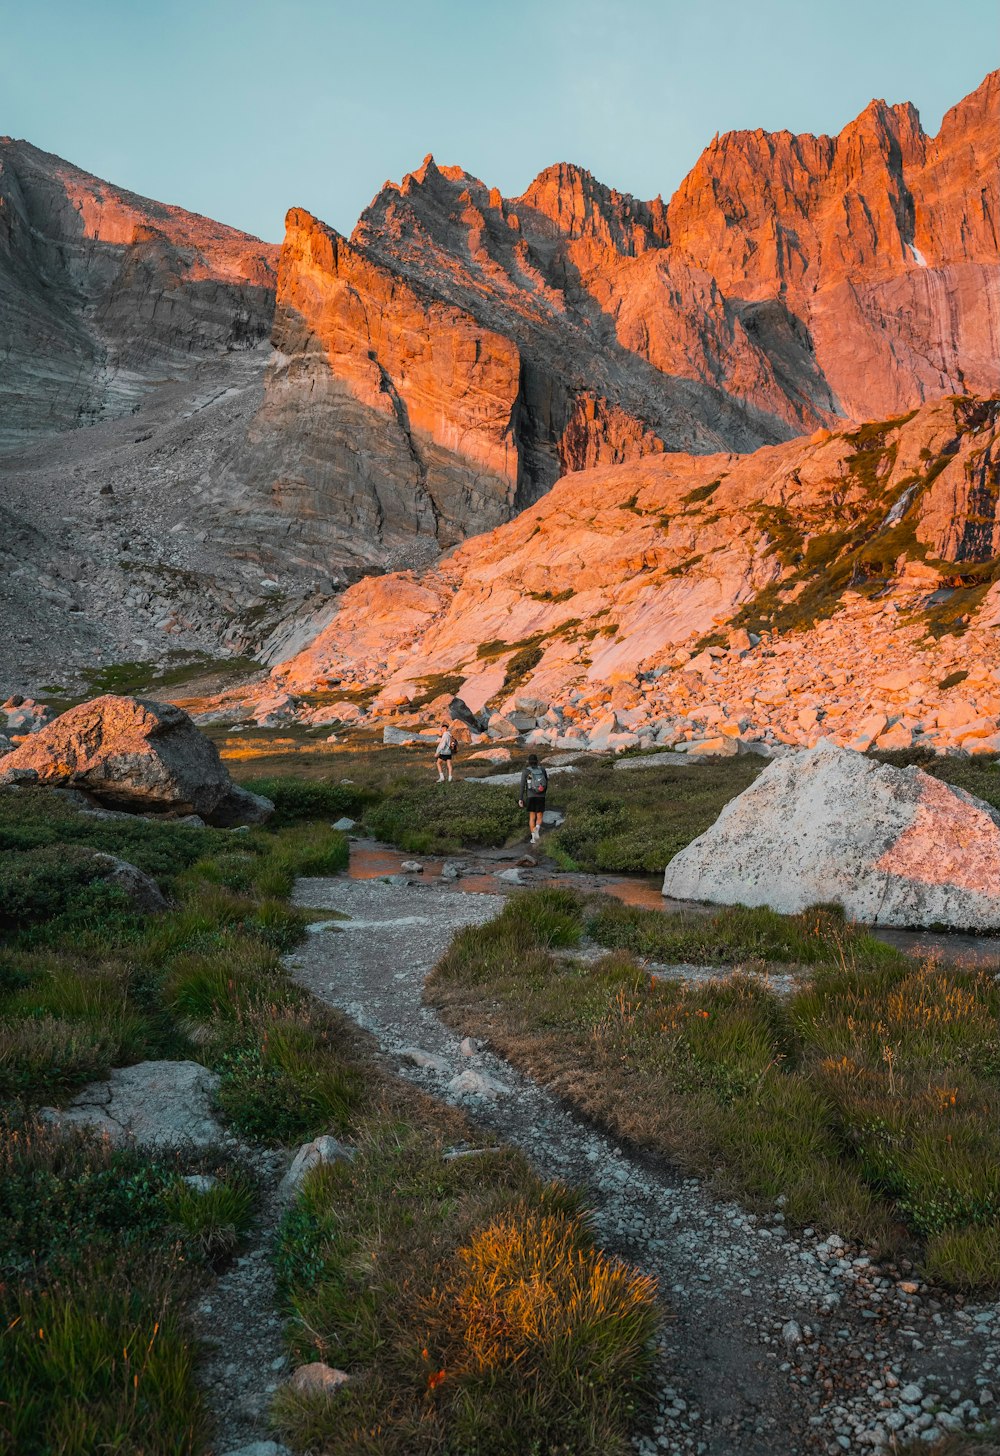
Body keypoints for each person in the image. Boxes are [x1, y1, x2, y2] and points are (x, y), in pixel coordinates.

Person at [519, 753, 548, 844]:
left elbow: (522, 785)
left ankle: (533, 838)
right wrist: (543, 792)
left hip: (530, 796)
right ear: (537, 761)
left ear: (529, 762)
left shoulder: (526, 771)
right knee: (539, 816)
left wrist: (520, 798)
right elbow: (546, 782)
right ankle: (537, 828)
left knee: (532, 817)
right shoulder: (542, 769)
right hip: (541, 796)